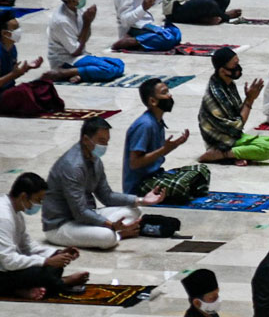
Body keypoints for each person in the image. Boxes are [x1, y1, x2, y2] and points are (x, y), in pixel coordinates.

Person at [42, 118, 163, 250]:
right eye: (101, 141)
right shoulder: (73, 167)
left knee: (135, 209)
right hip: (62, 225)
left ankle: (111, 231)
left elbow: (107, 196)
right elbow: (79, 212)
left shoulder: (95, 160)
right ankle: (118, 234)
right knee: (106, 237)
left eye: (106, 142)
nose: (104, 146)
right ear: (86, 140)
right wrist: (110, 225)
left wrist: (141, 200)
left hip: (86, 216)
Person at [0, 172, 88, 300]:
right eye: (38, 200)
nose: (39, 205)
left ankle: (21, 290)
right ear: (24, 196)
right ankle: (63, 282)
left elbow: (27, 246)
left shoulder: (16, 213)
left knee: (54, 267)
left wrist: (56, 253)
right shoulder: (4, 217)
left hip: (6, 268)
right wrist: (46, 261)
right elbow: (8, 261)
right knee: (45, 272)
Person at [123, 78, 209, 204]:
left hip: (157, 175)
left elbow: (154, 155)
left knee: (201, 170)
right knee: (180, 186)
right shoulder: (144, 125)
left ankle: (180, 193)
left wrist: (173, 146)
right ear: (153, 101)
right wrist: (164, 150)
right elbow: (135, 163)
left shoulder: (157, 121)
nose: (170, 96)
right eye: (164, 93)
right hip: (140, 185)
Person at [198, 47, 269, 164]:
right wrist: (249, 100)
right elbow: (236, 127)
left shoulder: (227, 84)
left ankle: (236, 155)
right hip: (221, 141)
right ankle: (222, 154)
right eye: (235, 64)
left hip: (232, 136)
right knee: (267, 149)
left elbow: (236, 115)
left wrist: (248, 99)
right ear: (223, 70)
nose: (238, 68)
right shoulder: (217, 94)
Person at [44, 0, 126, 84]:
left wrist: (88, 21)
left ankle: (77, 74)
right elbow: (75, 51)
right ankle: (63, 73)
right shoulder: (61, 21)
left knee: (119, 64)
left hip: (80, 56)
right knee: (108, 69)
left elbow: (84, 38)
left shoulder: (77, 9)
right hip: (65, 60)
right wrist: (87, 23)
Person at [0, 9, 64, 117]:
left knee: (44, 84)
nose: (19, 31)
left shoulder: (13, 48)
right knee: (24, 92)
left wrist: (27, 68)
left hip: (10, 91)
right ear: (5, 33)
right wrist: (15, 74)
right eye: (15, 28)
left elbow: (12, 74)